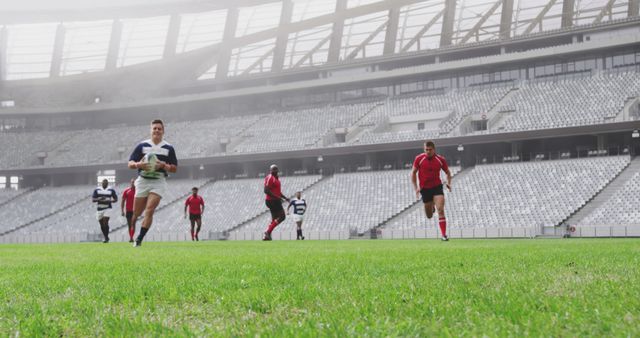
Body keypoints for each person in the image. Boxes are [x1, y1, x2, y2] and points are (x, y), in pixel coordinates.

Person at [128, 119, 178, 247]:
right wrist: (139, 164)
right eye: (154, 128)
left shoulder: (168, 148)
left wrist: (164, 165)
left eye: (159, 129)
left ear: (163, 131)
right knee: (137, 213)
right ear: (150, 130)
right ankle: (133, 230)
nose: (157, 130)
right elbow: (130, 164)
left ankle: (139, 239)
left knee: (149, 210)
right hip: (143, 181)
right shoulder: (142, 146)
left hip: (158, 181)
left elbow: (175, 168)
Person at [410, 140, 452, 241]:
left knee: (441, 210)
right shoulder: (419, 159)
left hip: (437, 187)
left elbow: (448, 172)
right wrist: (416, 188)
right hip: (425, 189)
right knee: (429, 215)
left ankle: (443, 235)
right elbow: (413, 173)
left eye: (430, 150)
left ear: (434, 149)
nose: (428, 152)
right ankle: (431, 205)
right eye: (426, 150)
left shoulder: (440, 159)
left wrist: (448, 183)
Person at [263, 164, 289, 241]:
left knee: (274, 219)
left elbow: (278, 192)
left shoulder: (276, 179)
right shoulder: (270, 177)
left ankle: (267, 236)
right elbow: (266, 190)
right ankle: (267, 232)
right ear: (270, 171)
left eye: (276, 169)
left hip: (274, 200)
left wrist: (285, 198)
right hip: (272, 201)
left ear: (278, 170)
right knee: (282, 216)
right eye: (273, 169)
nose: (274, 171)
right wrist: (278, 197)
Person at [92, 179, 117, 243]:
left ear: (107, 184)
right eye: (103, 183)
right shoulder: (97, 190)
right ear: (101, 183)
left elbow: (115, 199)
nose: (104, 184)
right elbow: (93, 199)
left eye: (106, 183)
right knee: (102, 224)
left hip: (108, 208)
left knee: (105, 222)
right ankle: (106, 236)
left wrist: (109, 201)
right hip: (99, 209)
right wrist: (99, 198)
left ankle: (106, 238)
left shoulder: (111, 190)